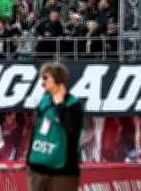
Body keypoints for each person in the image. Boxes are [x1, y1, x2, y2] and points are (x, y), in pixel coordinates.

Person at [27, 62, 85, 191]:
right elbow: (36, 131)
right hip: (37, 169)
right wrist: (29, 160)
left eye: (46, 78)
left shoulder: (74, 105)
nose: (43, 82)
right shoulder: (44, 101)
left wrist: (60, 106)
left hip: (62, 173)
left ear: (58, 79)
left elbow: (71, 130)